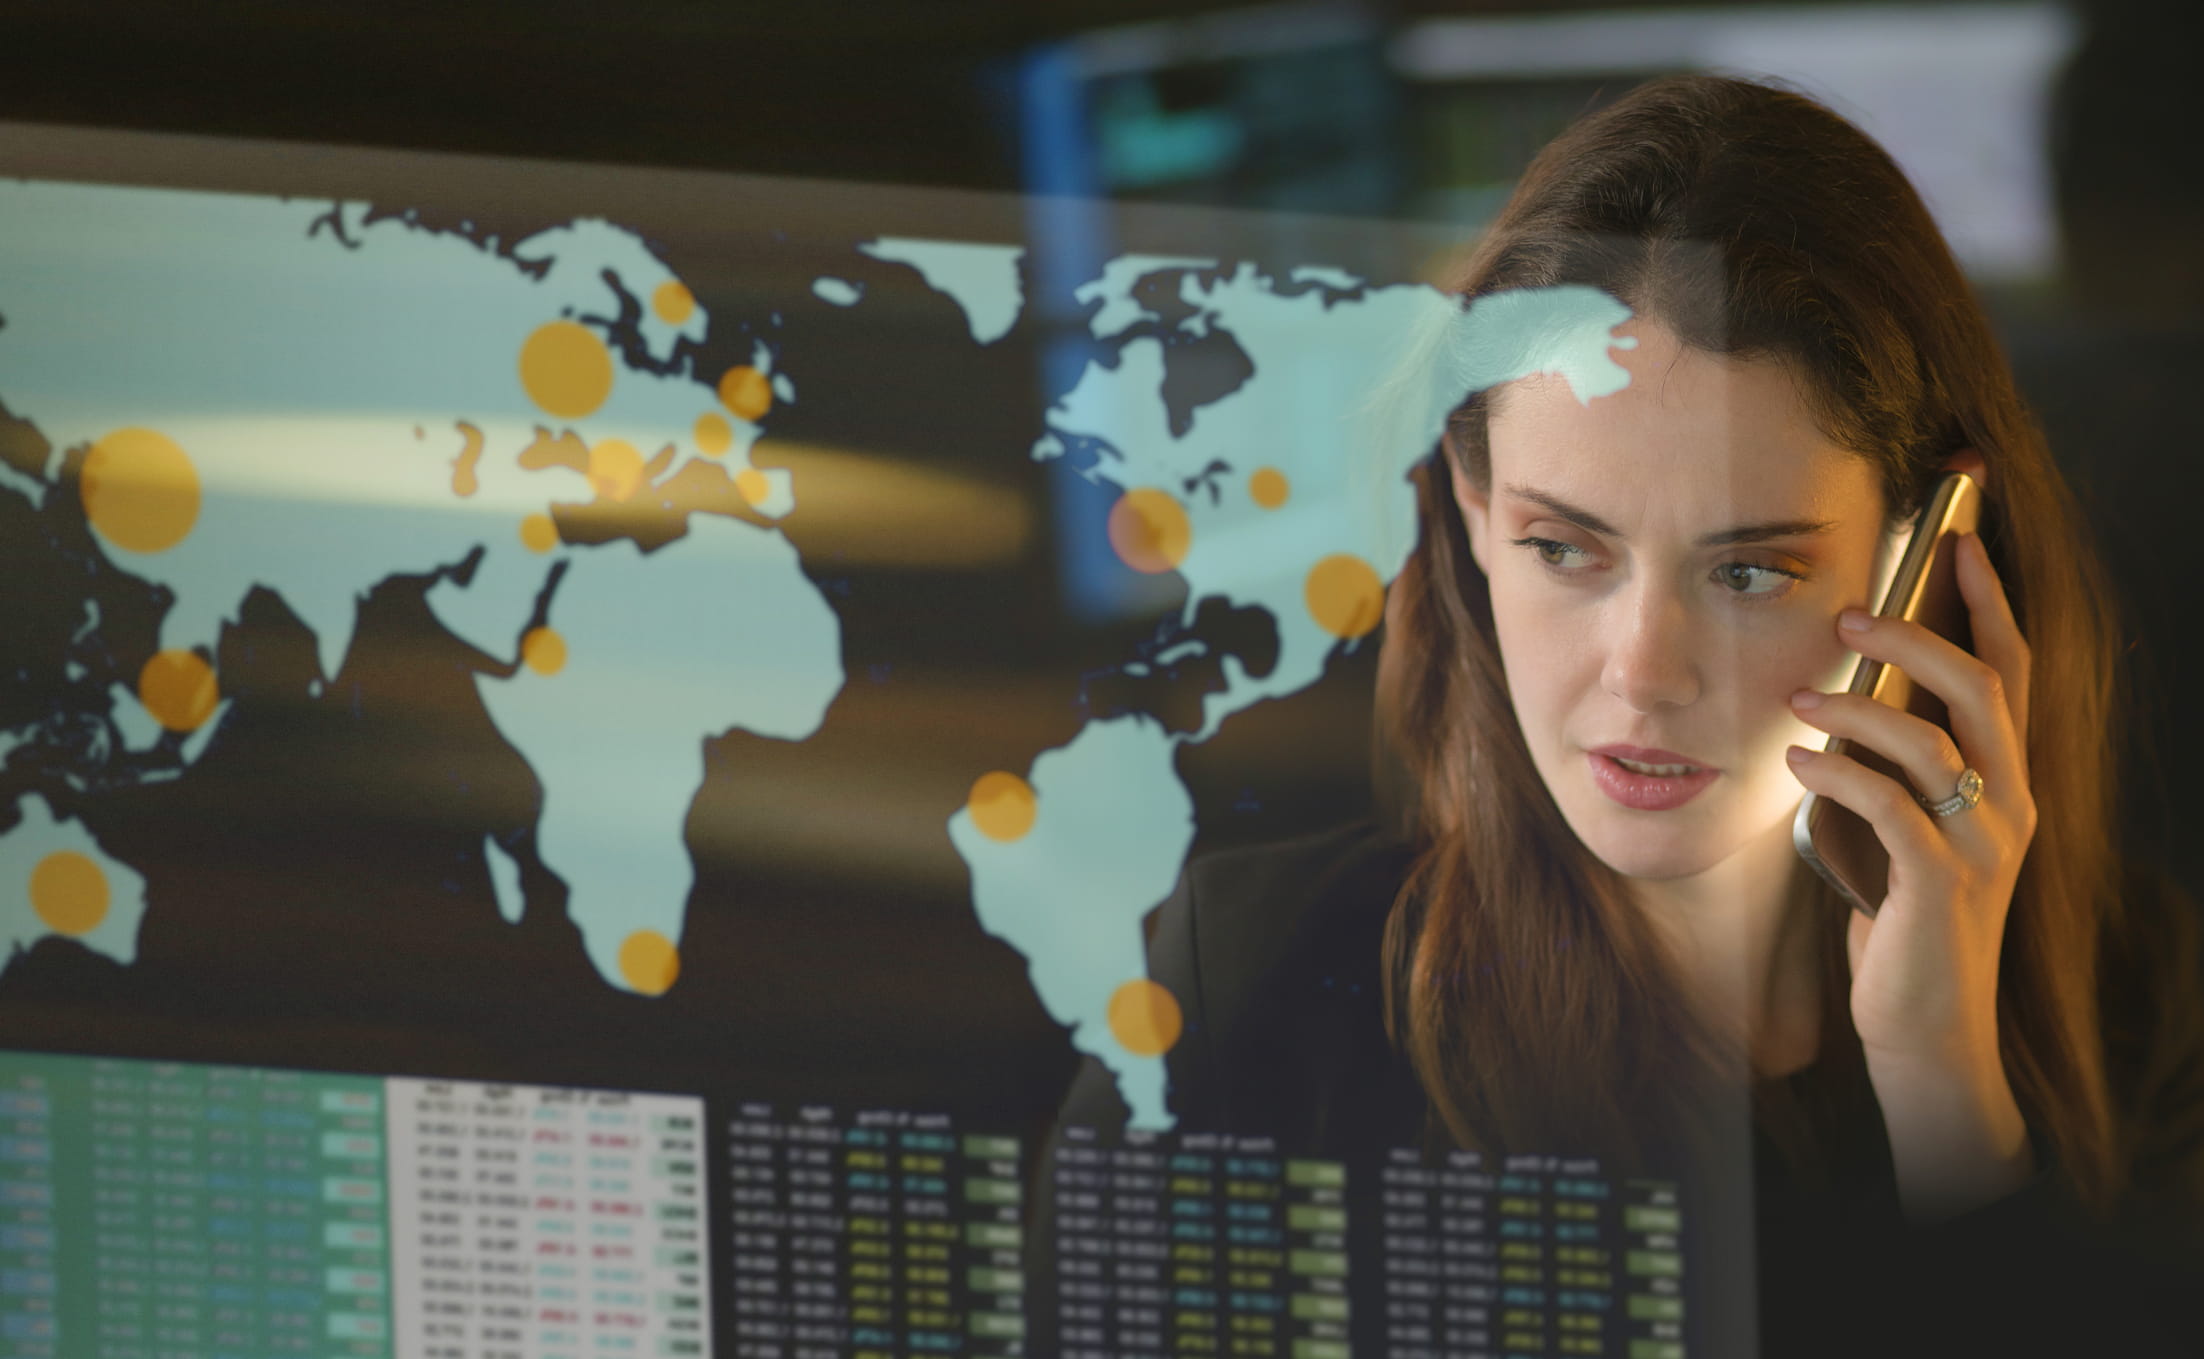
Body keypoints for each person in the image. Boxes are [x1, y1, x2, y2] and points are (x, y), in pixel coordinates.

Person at [1044, 74, 2204, 1356]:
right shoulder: (1253, 987)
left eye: (1746, 571)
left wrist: (1944, 1091)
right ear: (1473, 516)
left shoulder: (2140, 1014)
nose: (1643, 673)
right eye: (1562, 548)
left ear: (1920, 553)